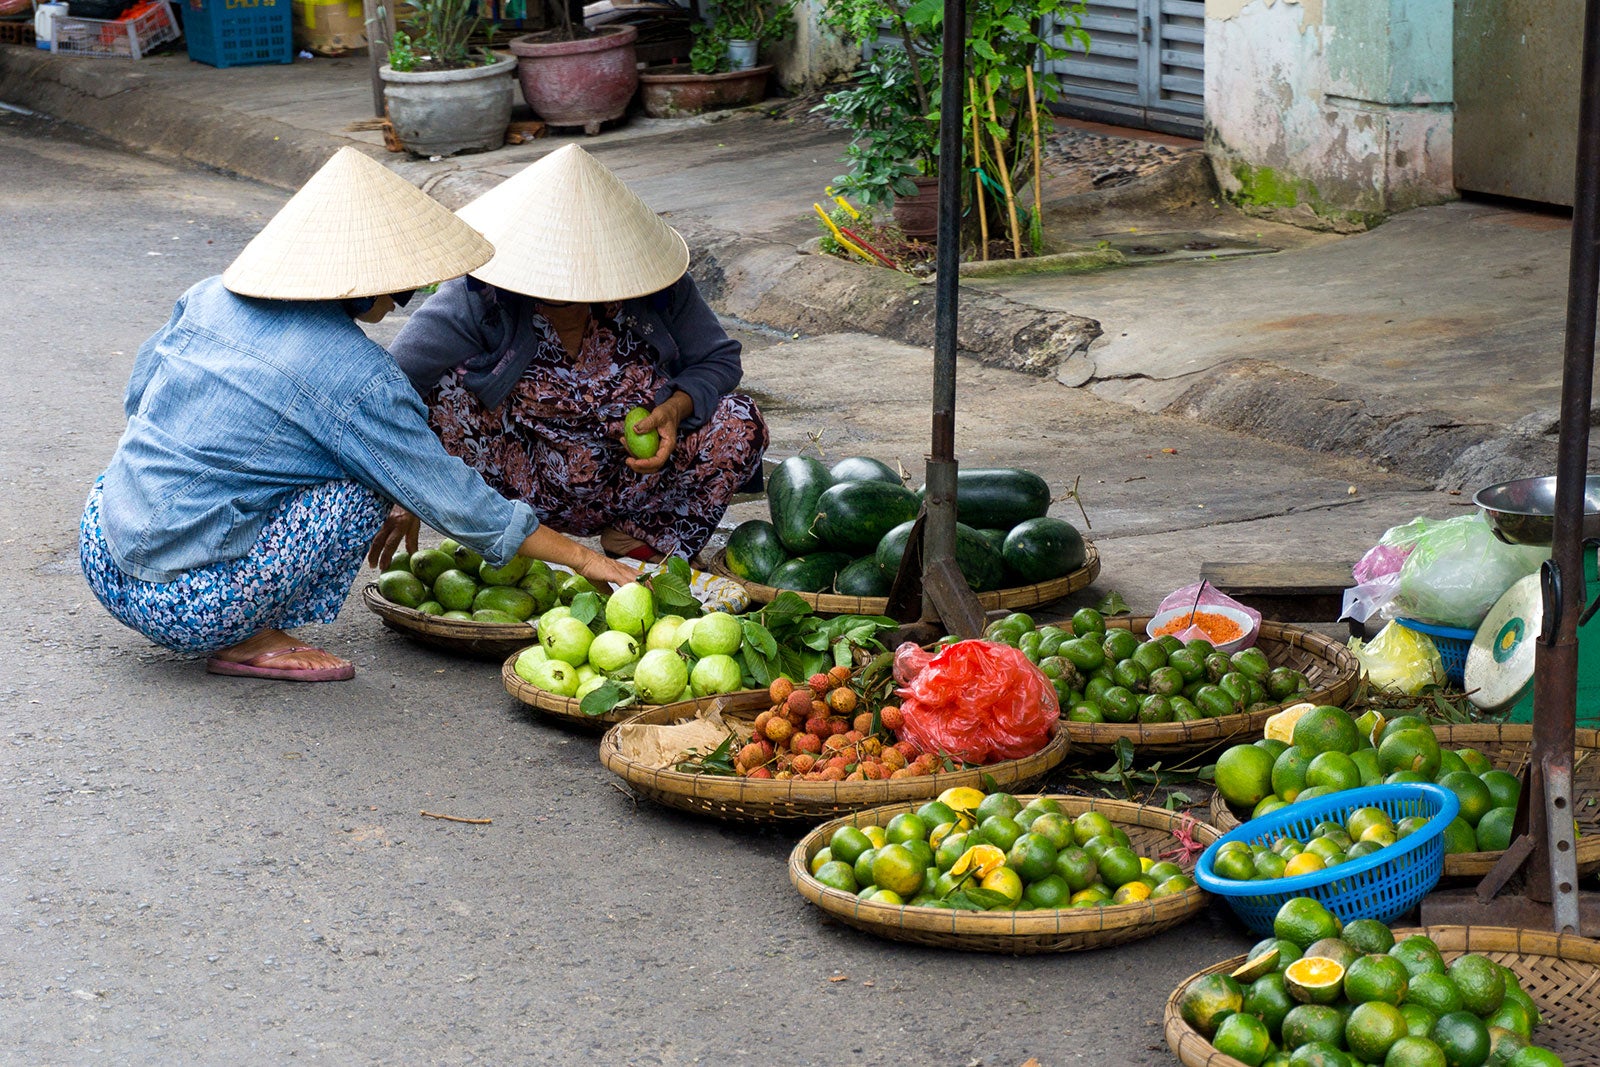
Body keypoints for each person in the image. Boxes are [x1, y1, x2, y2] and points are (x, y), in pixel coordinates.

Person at [80, 147, 637, 683]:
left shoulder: (208, 294)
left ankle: (223, 605)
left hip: (103, 546)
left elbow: (140, 399)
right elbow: (450, 498)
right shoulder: (356, 374)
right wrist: (583, 560)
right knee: (362, 486)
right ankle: (241, 637)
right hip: (184, 606)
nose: (407, 297)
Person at [385, 143, 768, 566]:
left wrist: (677, 408)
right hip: (517, 483)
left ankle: (642, 540)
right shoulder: (478, 298)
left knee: (739, 421)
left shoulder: (656, 289)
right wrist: (402, 487)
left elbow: (719, 360)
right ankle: (517, 541)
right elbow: (391, 383)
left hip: (633, 479)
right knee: (438, 397)